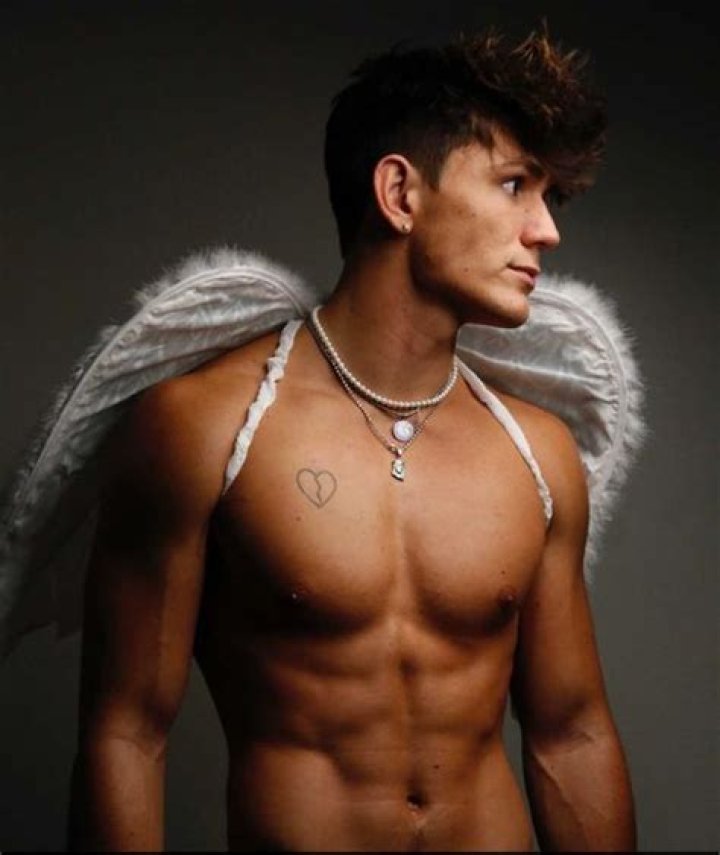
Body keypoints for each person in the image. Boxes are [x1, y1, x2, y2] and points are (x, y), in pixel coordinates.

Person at [66, 27, 637, 852]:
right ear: (400, 194)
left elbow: (572, 733)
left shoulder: (538, 454)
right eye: (515, 185)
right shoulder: (209, 427)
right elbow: (126, 732)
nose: (545, 229)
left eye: (547, 197)